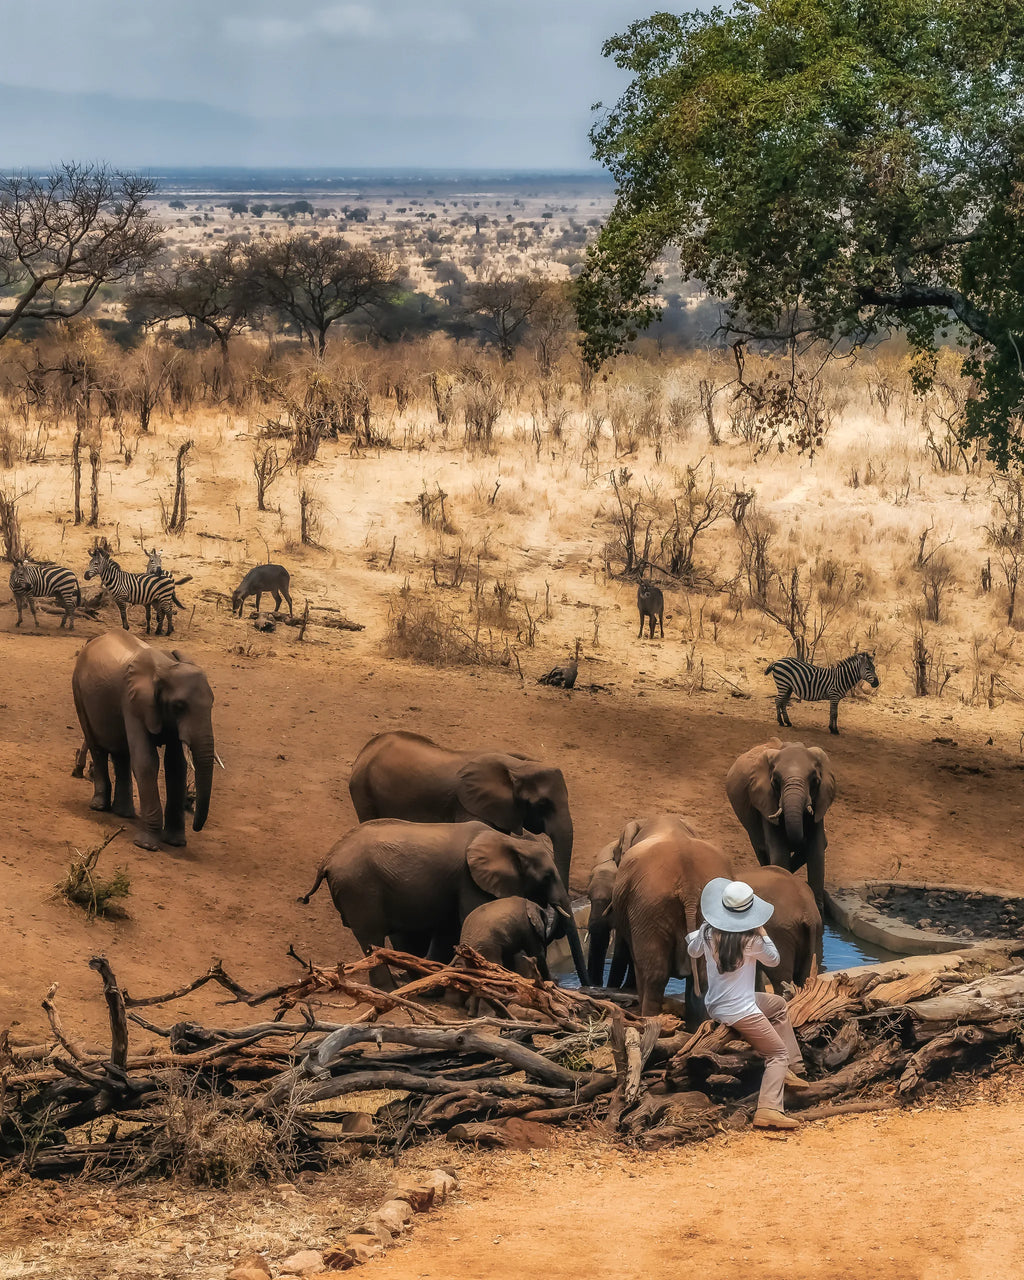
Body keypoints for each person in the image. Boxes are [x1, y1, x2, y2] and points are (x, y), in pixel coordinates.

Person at [687, 877, 809, 1132]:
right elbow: (774, 960)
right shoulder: (751, 941)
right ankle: (769, 1109)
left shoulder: (708, 932)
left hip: (717, 1004)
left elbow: (693, 951)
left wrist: (703, 928)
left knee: (777, 1005)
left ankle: (793, 1066)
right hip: (742, 1011)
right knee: (776, 1054)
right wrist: (763, 932)